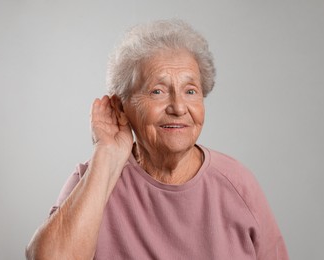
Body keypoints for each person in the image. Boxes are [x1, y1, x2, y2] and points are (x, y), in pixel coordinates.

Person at [26, 19, 289, 260]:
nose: (178, 107)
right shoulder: (94, 178)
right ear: (121, 107)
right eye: (158, 90)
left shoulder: (237, 183)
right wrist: (106, 155)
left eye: (190, 91)